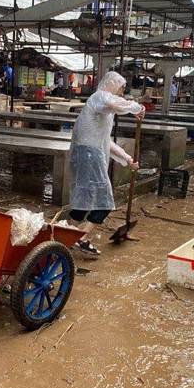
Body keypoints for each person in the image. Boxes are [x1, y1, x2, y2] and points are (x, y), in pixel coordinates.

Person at [68, 71, 145, 257]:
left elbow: (106, 141)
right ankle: (81, 238)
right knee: (104, 203)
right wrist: (137, 107)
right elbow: (115, 103)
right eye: (121, 88)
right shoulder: (99, 97)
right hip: (88, 155)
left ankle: (64, 235)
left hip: (88, 155)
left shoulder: (104, 110)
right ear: (111, 84)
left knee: (84, 202)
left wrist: (127, 158)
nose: (121, 92)